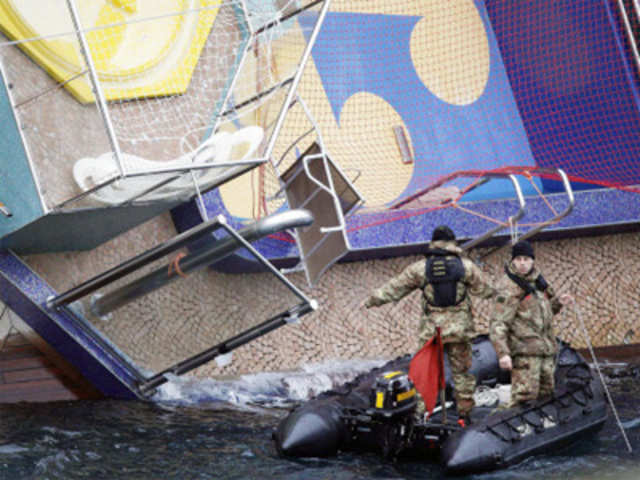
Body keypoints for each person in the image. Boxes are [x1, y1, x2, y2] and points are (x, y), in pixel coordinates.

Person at [364, 225, 495, 425]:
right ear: (453, 243)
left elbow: (395, 288)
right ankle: (464, 416)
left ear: (434, 242)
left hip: (432, 332)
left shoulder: (420, 268)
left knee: (426, 372)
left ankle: (419, 414)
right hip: (460, 331)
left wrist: (372, 300)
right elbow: (485, 290)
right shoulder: (466, 267)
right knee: (462, 374)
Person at [490, 240, 573, 408]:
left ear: (532, 261)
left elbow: (547, 312)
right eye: (519, 259)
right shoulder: (508, 287)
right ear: (513, 260)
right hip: (525, 354)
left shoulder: (538, 283)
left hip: (545, 351)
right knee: (524, 398)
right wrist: (503, 353)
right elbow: (498, 323)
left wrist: (558, 302)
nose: (522, 263)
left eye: (526, 259)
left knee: (546, 395)